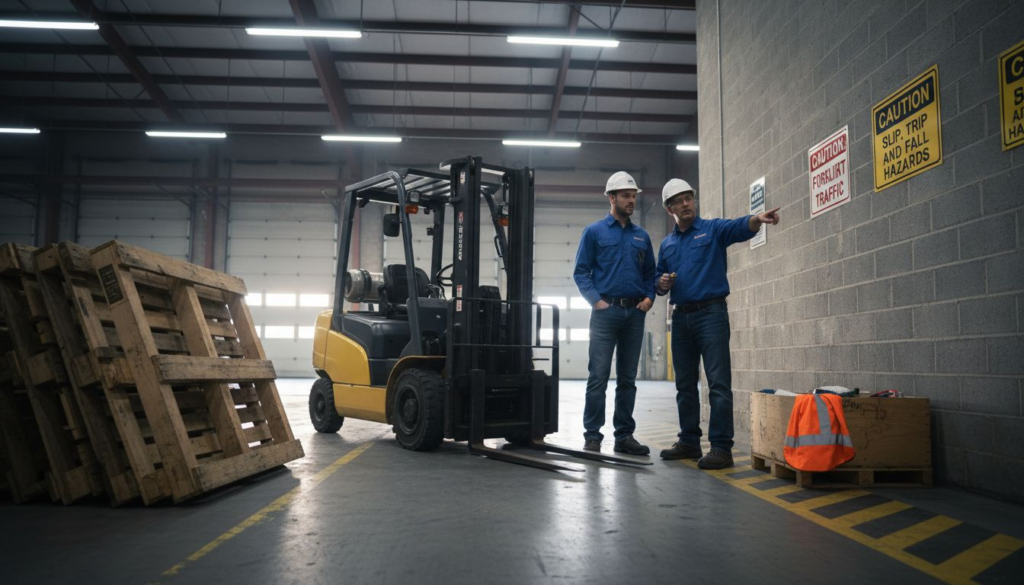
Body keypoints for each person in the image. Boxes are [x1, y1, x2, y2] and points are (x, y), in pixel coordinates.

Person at [656, 179, 779, 469]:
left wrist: (756, 220)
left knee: (718, 385)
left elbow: (737, 227)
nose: (686, 204)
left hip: (711, 315)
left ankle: (721, 448)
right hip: (681, 318)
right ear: (669, 209)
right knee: (685, 385)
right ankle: (688, 442)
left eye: (689, 198)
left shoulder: (711, 230)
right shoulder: (667, 244)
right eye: (680, 200)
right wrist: (660, 283)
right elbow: (659, 280)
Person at [572, 171, 656, 456]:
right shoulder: (594, 232)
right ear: (611, 198)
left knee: (628, 379)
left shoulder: (641, 236)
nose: (631, 201)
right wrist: (596, 302)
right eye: (626, 196)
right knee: (597, 376)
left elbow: (650, 274)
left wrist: (649, 298)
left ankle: (624, 436)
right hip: (605, 314)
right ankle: (593, 436)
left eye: (633, 196)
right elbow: (581, 272)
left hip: (634, 314)